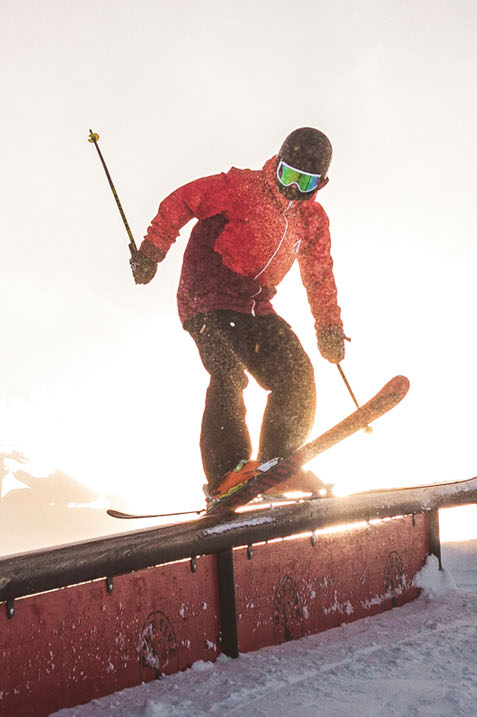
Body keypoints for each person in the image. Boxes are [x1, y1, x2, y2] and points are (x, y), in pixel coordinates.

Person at [129, 127, 346, 497]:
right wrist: (151, 251)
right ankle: (226, 474)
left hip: (255, 306)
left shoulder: (313, 221)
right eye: (287, 175)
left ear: (320, 184)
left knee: (296, 375)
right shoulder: (239, 187)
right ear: (276, 165)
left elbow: (319, 274)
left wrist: (329, 326)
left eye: (304, 182)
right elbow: (182, 201)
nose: (292, 188)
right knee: (228, 373)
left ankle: (277, 465)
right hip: (208, 296)